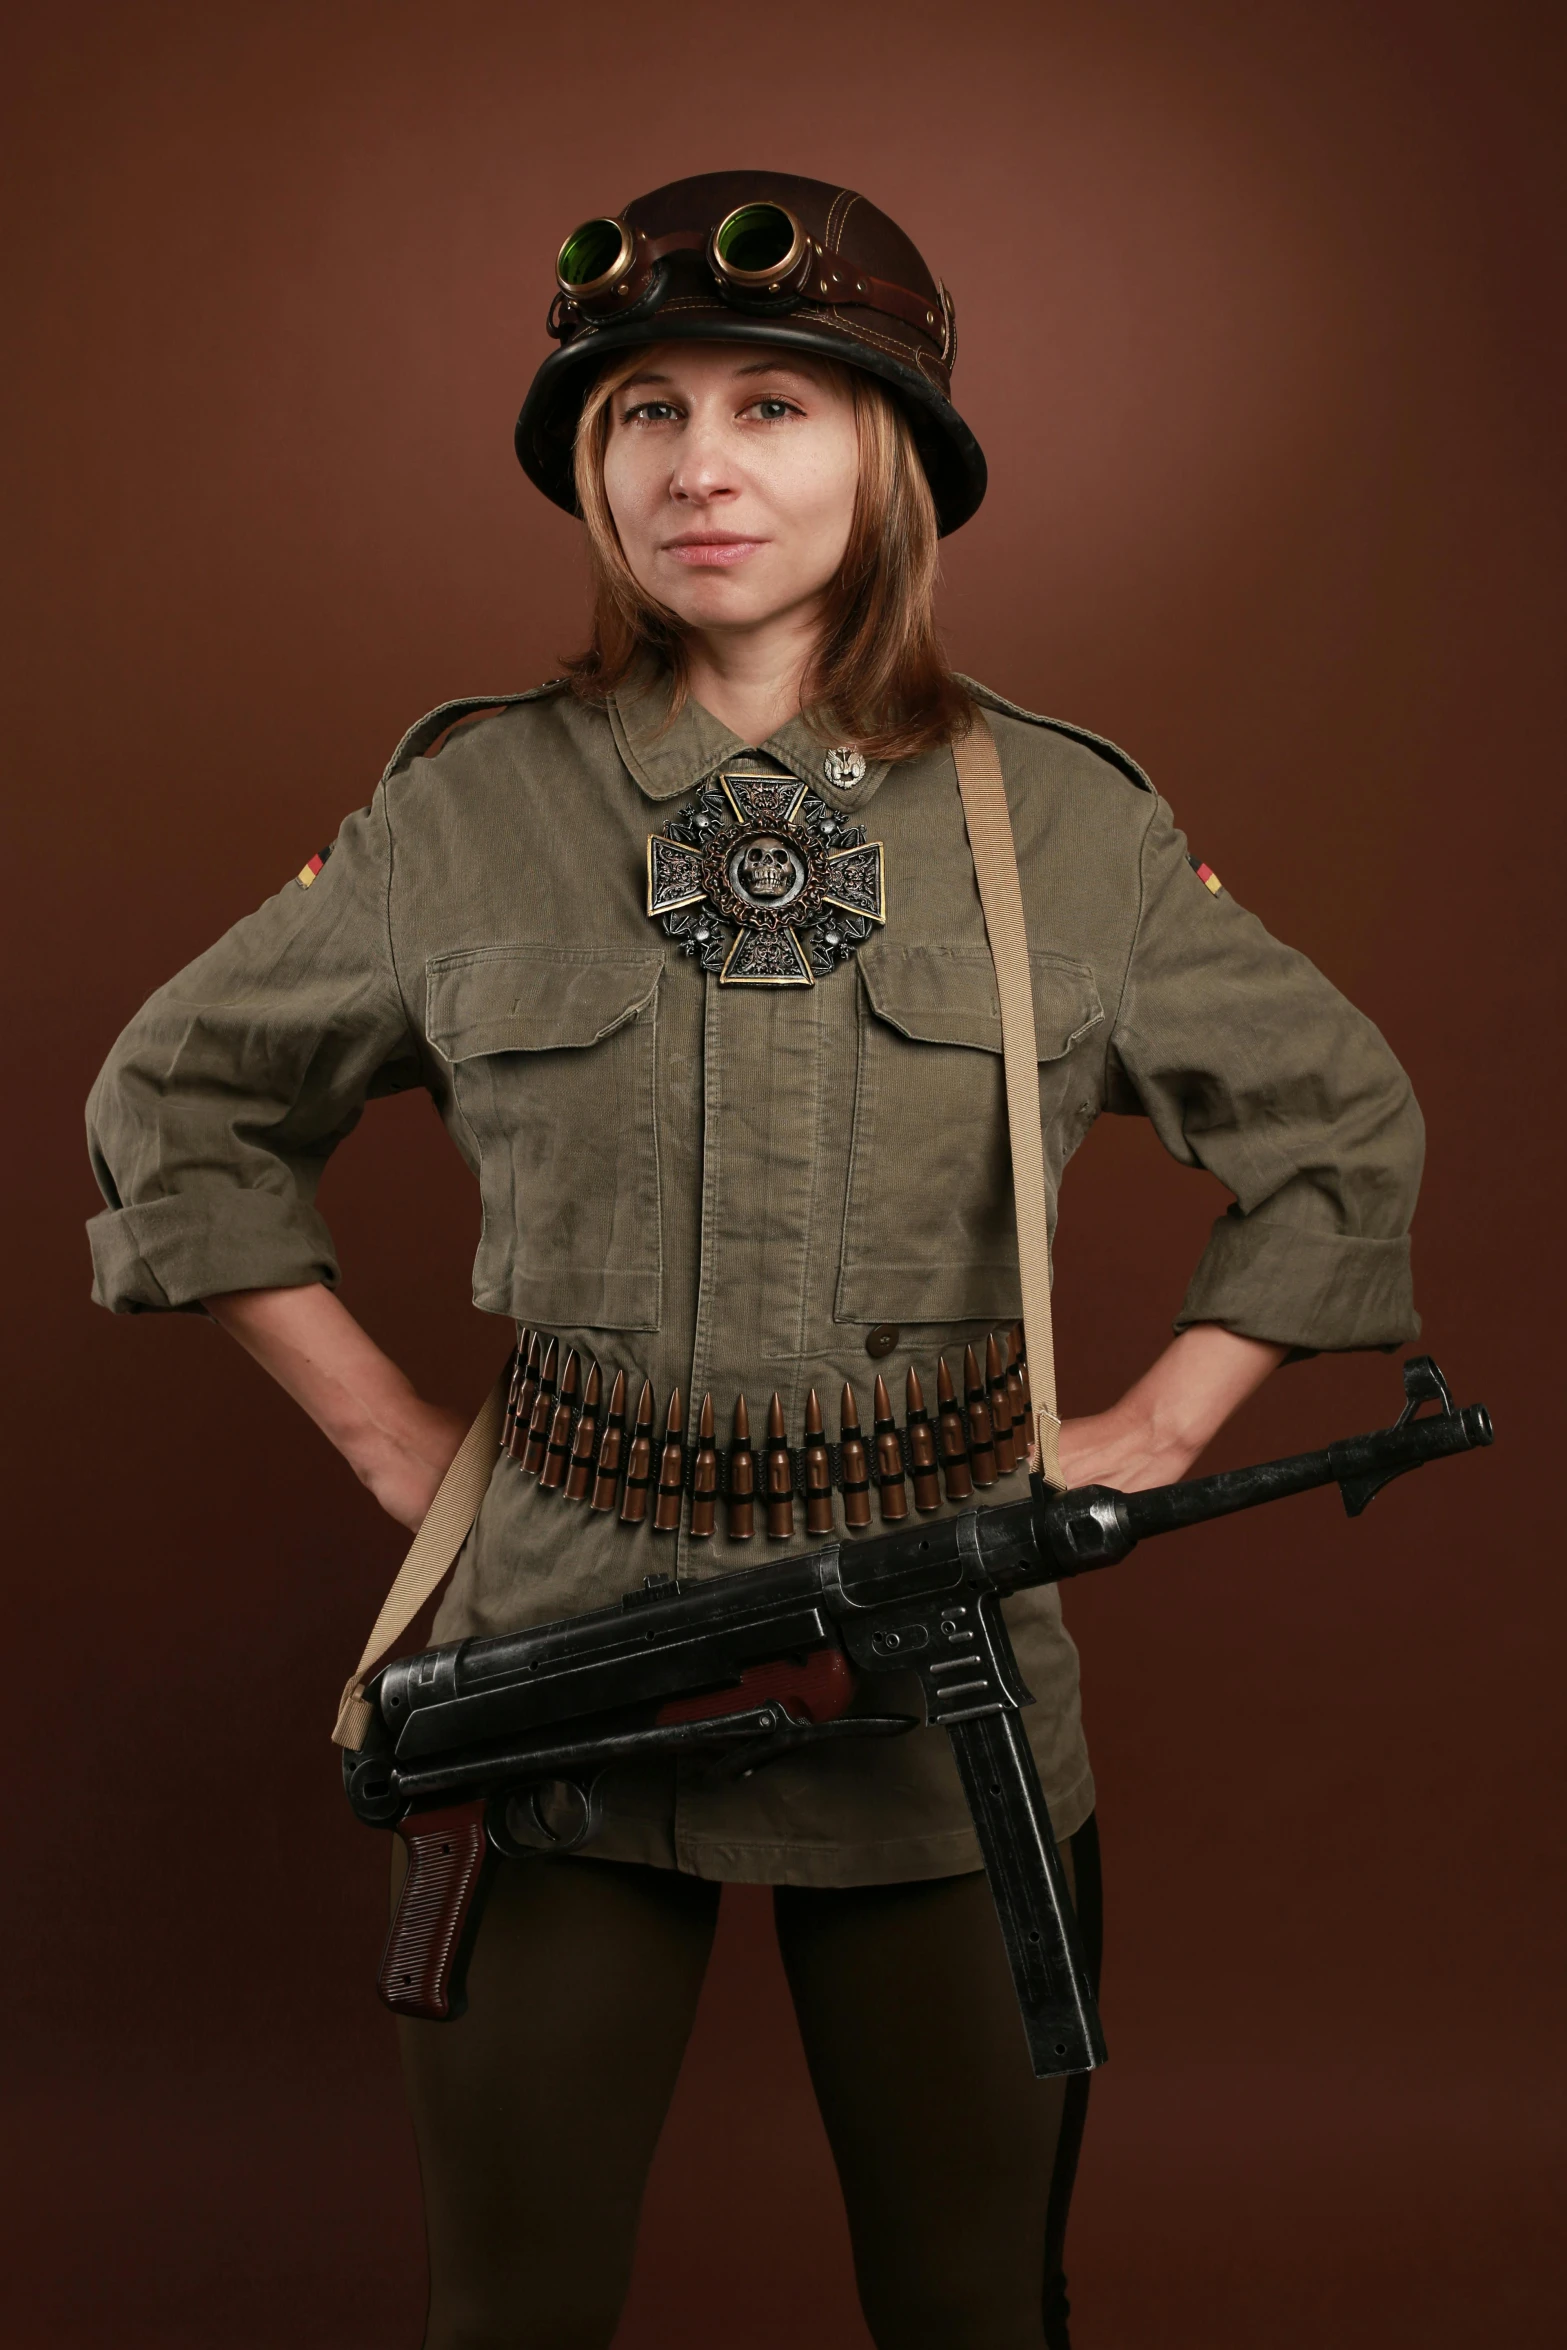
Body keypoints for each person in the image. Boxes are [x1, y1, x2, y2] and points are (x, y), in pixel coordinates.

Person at [85, 172, 1423, 2350]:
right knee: (508, 2307)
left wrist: (1162, 1428)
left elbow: (1340, 1124)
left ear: (888, 459)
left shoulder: (1064, 820)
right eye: (643, 414)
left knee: (975, 2298)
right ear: (591, 471)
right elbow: (176, 1101)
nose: (700, 463)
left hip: (938, 1670)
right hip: (567, 1655)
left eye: (778, 404)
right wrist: (396, 1442)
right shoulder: (464, 810)